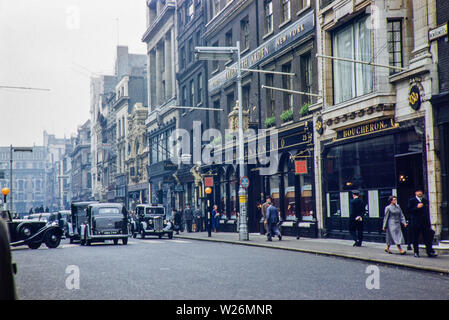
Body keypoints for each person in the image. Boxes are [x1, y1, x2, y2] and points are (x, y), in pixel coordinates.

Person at [407, 189, 437, 258]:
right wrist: (416, 207)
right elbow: (409, 210)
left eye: (420, 192)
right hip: (416, 223)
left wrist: (429, 222)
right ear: (415, 193)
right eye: (418, 192)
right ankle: (416, 252)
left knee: (427, 238)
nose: (419, 193)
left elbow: (427, 212)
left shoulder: (425, 201)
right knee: (415, 238)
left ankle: (429, 252)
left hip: (424, 223)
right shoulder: (411, 201)